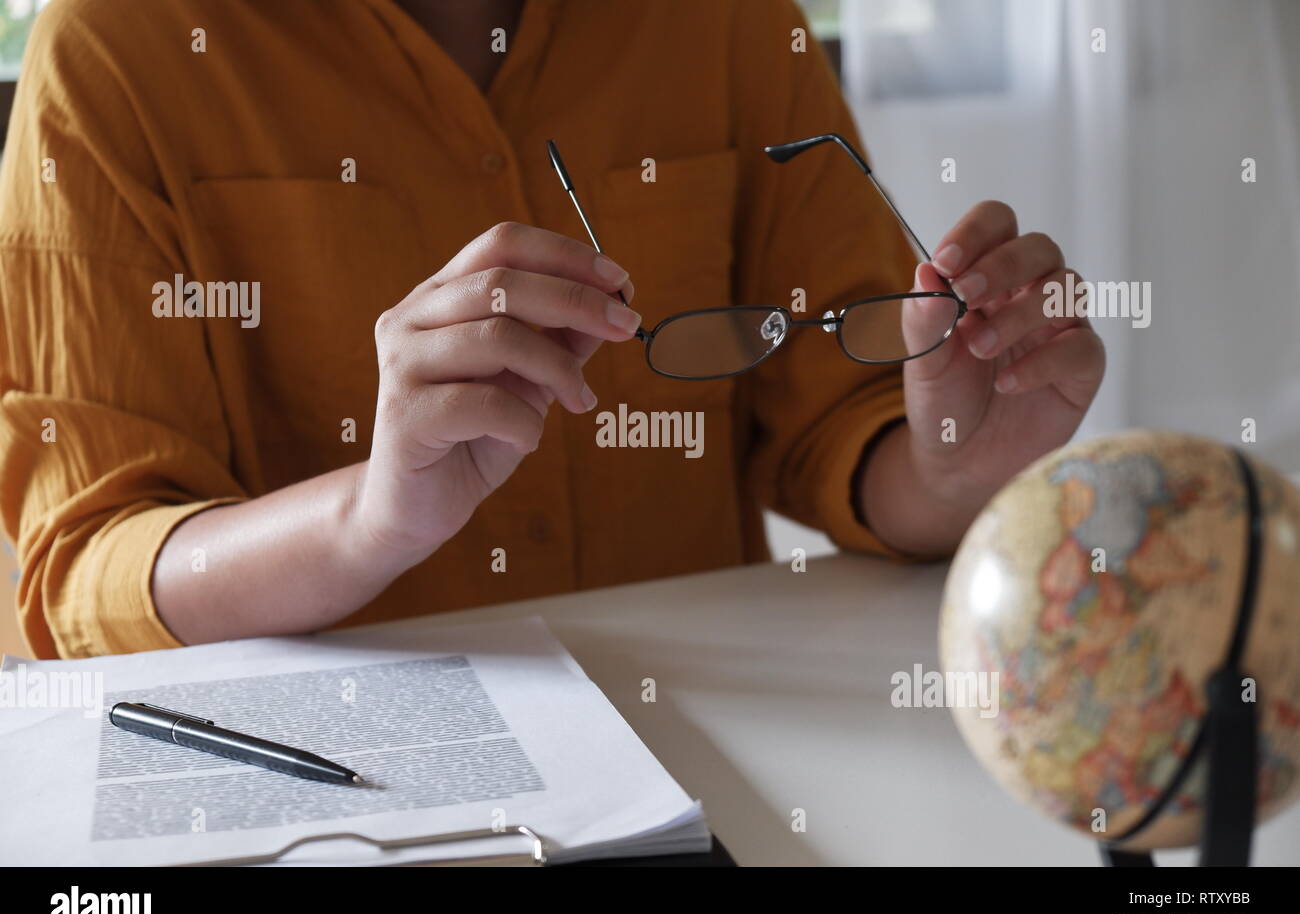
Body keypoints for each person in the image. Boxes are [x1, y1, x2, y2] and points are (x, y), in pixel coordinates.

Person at [0, 0, 1103, 659]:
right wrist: (369, 519)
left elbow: (833, 431)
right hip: (315, 789)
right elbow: (85, 566)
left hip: (709, 764)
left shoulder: (721, 20)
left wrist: (957, 464)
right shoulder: (118, 51)